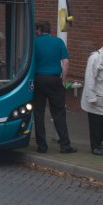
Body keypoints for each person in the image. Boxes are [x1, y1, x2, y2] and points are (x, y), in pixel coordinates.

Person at [33, 20, 77, 154]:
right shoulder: (58, 42)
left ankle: (42, 146)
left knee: (38, 113)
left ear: (39, 30)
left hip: (38, 80)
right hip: (54, 80)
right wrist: (63, 80)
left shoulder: (34, 42)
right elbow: (66, 62)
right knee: (59, 113)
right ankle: (65, 145)